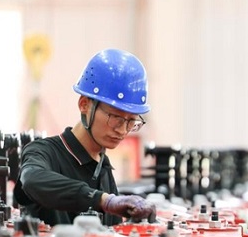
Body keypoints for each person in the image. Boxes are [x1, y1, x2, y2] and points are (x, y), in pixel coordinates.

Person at [14, 48, 156, 226]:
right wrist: (104, 200)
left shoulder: (102, 168)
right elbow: (32, 180)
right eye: (116, 118)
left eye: (131, 121)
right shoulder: (43, 152)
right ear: (84, 105)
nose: (122, 130)